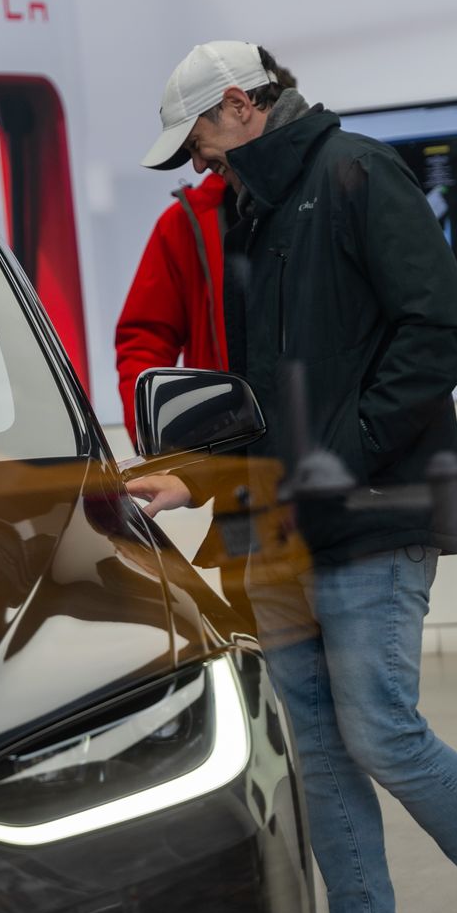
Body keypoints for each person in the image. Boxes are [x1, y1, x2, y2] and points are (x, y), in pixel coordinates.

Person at [127, 40, 457, 913]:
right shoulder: (244, 214)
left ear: (239, 104)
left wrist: (341, 456)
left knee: (381, 735)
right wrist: (195, 478)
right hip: (272, 529)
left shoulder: (360, 173)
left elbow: (442, 330)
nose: (197, 156)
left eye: (199, 132)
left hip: (370, 517)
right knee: (320, 758)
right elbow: (257, 396)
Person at [115, 56, 298, 618]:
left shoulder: (333, 198)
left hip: (340, 489)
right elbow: (142, 342)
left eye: (198, 145)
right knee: (274, 683)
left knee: (366, 696)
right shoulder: (186, 225)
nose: (196, 167)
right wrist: (173, 451)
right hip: (246, 495)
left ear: (243, 107)